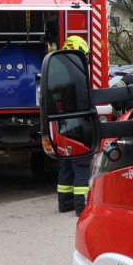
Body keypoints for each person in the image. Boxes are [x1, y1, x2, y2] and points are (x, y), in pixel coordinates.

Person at [58, 35, 93, 217]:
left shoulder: (58, 69)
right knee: (81, 164)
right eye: (85, 55)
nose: (86, 59)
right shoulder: (78, 73)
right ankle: (81, 206)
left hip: (63, 125)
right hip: (78, 125)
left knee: (66, 162)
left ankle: (65, 203)